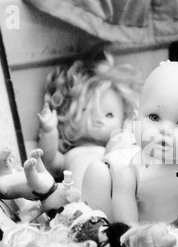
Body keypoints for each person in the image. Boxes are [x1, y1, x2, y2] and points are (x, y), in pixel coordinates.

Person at [108, 61, 178, 225]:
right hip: (147, 239)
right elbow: (127, 232)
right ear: (135, 121)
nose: (165, 129)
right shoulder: (129, 176)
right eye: (154, 117)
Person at [38, 54, 142, 191]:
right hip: (77, 208)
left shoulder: (117, 152)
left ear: (123, 117)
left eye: (109, 114)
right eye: (87, 110)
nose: (99, 119)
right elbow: (48, 160)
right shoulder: (71, 156)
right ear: (69, 113)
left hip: (112, 207)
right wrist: (49, 130)